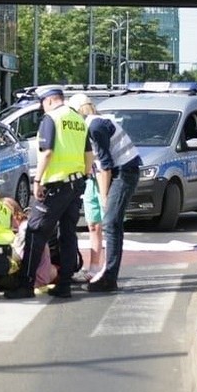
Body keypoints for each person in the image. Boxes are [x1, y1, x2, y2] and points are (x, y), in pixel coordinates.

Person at [5, 87, 92, 300]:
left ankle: (25, 284)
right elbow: (89, 154)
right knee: (68, 235)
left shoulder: (51, 119)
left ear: (50, 101)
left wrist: (38, 180)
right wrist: (84, 177)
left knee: (35, 232)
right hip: (75, 184)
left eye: (43, 103)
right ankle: (64, 284)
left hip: (55, 185)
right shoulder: (78, 119)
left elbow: (48, 152)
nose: (42, 107)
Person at [68, 93, 141, 293]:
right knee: (110, 223)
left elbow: (105, 165)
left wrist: (104, 196)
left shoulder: (94, 126)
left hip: (124, 172)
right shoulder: (95, 123)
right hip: (122, 171)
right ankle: (107, 274)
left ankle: (109, 276)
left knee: (111, 223)